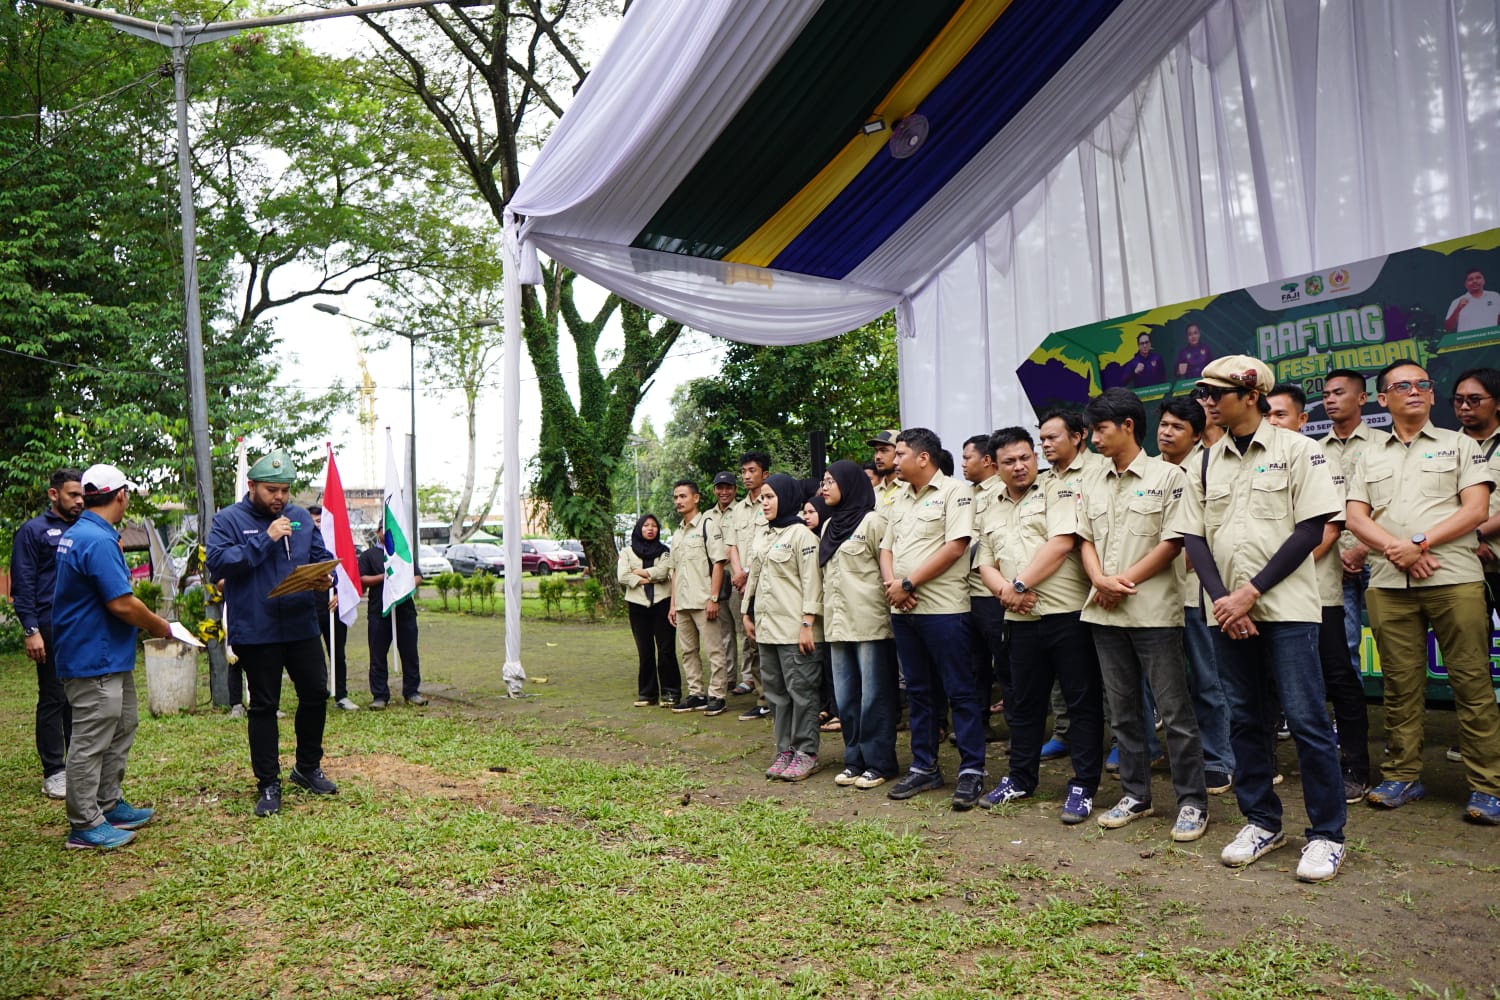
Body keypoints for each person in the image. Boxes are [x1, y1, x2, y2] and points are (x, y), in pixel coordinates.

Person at [1175, 356, 1348, 882]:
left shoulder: (1300, 450)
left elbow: (1311, 529)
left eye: (1216, 393)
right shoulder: (1205, 461)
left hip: (1288, 611)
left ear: (1251, 396)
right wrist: (1226, 602)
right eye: (1204, 393)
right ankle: (1261, 821)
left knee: (1306, 720)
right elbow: (1193, 537)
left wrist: (1250, 593)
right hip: (1227, 613)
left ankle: (1327, 836)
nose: (1207, 401)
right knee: (1245, 718)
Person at [1345, 361, 1500, 824]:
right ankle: (1402, 775)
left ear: (1432, 396)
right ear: (1382, 399)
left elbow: (1475, 511)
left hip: (1453, 578)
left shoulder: (1461, 446)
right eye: (1401, 386)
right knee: (1399, 684)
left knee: (1471, 682)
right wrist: (1397, 549)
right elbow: (1356, 517)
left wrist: (1419, 543)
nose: (1413, 391)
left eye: (1421, 384)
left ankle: (1487, 785)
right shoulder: (1367, 455)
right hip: (1390, 582)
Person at [1078, 388, 1207, 840]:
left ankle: (1192, 801)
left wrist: (1121, 582)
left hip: (1153, 613)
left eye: (1101, 429)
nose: (1094, 438)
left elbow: (1173, 542)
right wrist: (1099, 581)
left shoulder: (1169, 477)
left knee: (1174, 712)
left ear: (1128, 426)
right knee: (1123, 711)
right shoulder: (1092, 480)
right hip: (1104, 613)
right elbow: (1084, 540)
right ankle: (1136, 794)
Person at [976, 427, 1105, 822]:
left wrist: (1019, 584)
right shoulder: (991, 505)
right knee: (1024, 704)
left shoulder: (1058, 490)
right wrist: (1007, 594)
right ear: (995, 467)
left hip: (1066, 615)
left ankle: (1083, 786)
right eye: (1009, 461)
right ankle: (1020, 778)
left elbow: (1062, 543)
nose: (1019, 467)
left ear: (1035, 457)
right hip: (1019, 619)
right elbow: (984, 561)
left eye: (1025, 458)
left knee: (1082, 703)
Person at [206, 449, 340, 818]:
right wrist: (265, 538)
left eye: (284, 490)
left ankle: (307, 768)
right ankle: (268, 783)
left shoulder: (299, 517)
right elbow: (217, 564)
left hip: (300, 623)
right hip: (257, 627)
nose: (279, 498)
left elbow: (318, 554)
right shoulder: (228, 520)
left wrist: (326, 577)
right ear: (251, 486)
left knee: (315, 692)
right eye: (271, 490)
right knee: (265, 705)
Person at [52, 464, 171, 849]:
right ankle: (85, 823)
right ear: (121, 495)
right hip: (93, 655)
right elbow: (121, 603)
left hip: (106, 653)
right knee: (91, 737)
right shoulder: (97, 540)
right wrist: (159, 625)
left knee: (121, 725)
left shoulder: (85, 533)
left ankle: (107, 802)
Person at [1266, 383, 1372, 803]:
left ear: (1301, 420)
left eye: (1281, 415)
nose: (1274, 422)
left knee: (1338, 676)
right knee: (1268, 681)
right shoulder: (1255, 461)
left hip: (1318, 591)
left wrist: (1281, 571)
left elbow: (1329, 527)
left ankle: (1354, 768)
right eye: (1268, 415)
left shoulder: (1319, 457)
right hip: (1268, 596)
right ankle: (1268, 762)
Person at [879, 427, 986, 809]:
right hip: (904, 609)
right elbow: (886, 547)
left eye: (901, 454)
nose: (894, 460)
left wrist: (908, 582)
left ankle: (972, 770)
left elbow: (956, 546)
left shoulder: (956, 493)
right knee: (920, 693)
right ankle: (924, 767)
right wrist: (894, 584)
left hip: (943, 610)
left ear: (923, 457)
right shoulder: (898, 497)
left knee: (960, 690)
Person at [1157, 397, 1235, 796]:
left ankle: (1218, 759)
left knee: (1207, 681)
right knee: (1170, 685)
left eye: (1177, 427)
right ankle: (1180, 755)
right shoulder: (1150, 471)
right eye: (1164, 424)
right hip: (1153, 598)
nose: (1167, 432)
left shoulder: (1210, 467)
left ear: (1195, 433)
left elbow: (1204, 535)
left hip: (1196, 593)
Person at [819, 460, 899, 789]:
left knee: (873, 697)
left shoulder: (874, 522)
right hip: (837, 625)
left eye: (830, 481)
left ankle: (880, 762)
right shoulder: (827, 526)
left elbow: (887, 572)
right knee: (846, 698)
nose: (824, 487)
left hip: (869, 622)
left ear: (849, 484)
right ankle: (854, 760)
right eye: (823, 481)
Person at [744, 474, 825, 780]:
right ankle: (785, 750)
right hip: (767, 629)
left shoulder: (802, 535)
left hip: (794, 630)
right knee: (776, 694)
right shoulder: (764, 535)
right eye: (762, 498)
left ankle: (806, 752)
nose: (763, 503)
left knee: (801, 693)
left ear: (786, 498)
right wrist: (746, 614)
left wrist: (807, 623)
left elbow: (812, 583)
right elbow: (753, 579)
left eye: (769, 497)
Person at [10, 468, 84, 800]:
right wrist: (31, 630)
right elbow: (23, 585)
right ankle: (54, 771)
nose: (79, 501)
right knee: (53, 697)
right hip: (50, 627)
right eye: (73, 495)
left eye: (82, 495)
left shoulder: (84, 529)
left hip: (80, 627)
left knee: (77, 698)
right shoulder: (33, 531)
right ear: (54, 495)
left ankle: (76, 766)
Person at [1318, 370, 1380, 699]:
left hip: (1380, 558)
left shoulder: (1384, 444)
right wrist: (1337, 554)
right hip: (1331, 562)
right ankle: (1351, 722)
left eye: (1338, 393)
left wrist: (1361, 550)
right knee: (1345, 644)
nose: (1329, 399)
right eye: (1326, 394)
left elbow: (1390, 506)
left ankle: (1398, 732)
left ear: (1362, 398)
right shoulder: (1312, 451)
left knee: (1393, 642)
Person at [668, 479, 730, 716]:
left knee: (714, 650)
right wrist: (673, 604)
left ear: (696, 498)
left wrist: (713, 598)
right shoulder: (677, 533)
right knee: (688, 651)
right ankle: (696, 693)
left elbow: (718, 563)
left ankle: (717, 695)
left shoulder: (708, 525)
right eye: (676, 497)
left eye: (683, 496)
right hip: (683, 603)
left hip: (704, 601)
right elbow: (675, 571)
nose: (678, 501)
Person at [962, 433, 1008, 735]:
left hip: (995, 591)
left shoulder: (1004, 492)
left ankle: (1018, 729)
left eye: (968, 457)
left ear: (987, 460)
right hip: (967, 593)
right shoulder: (966, 494)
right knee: (975, 663)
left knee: (1006, 663)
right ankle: (980, 724)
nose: (963, 463)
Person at [359, 524, 427, 709]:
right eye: (384, 529)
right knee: (378, 654)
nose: (387, 532)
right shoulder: (368, 555)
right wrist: (385, 577)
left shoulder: (402, 553)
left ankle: (412, 691)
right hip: (379, 612)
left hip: (404, 611)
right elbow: (362, 578)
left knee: (410, 653)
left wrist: (405, 585)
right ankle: (380, 696)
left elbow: (418, 576)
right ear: (378, 532)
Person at [618, 514, 680, 707]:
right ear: (639, 529)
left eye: (654, 526)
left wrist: (642, 574)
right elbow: (622, 576)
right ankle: (647, 694)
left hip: (662, 603)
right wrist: (650, 579)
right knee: (645, 651)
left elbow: (663, 572)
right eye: (646, 525)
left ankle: (671, 693)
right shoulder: (627, 552)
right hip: (637, 606)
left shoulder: (664, 551)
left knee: (666, 649)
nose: (650, 529)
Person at [726, 455, 770, 718]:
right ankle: (763, 698)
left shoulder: (771, 502)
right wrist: (740, 574)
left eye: (751, 470)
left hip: (767, 582)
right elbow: (732, 545)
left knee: (770, 640)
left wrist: (749, 573)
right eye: (743, 471)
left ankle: (775, 698)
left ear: (765, 474)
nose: (746, 476)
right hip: (743, 585)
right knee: (751, 640)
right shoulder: (738, 509)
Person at [307, 504, 355, 712]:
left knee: (337, 652)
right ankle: (316, 692)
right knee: (310, 654)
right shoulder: (302, 547)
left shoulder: (336, 543)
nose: (318, 526)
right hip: (309, 606)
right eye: (314, 522)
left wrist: (339, 594)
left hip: (333, 606)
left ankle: (341, 694)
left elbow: (346, 574)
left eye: (320, 521)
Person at [711, 471, 748, 697]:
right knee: (723, 630)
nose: (724, 491)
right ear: (715, 489)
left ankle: (748, 678)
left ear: (735, 489)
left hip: (737, 575)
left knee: (743, 627)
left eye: (728, 487)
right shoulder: (708, 516)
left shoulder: (742, 511)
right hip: (716, 577)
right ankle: (729, 676)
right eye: (720, 487)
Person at [1444, 268, 1500, 333]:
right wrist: (1458, 309)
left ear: (1484, 280)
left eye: (1478, 278)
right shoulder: (1457, 301)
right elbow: (1448, 328)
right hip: (1467, 341)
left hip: (1491, 338)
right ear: (1465, 284)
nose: (1475, 281)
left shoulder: (1495, 296)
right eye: (1470, 279)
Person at [868, 430, 903, 505]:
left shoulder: (911, 489)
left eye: (884, 450)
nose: (877, 457)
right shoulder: (873, 493)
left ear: (898, 453)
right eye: (876, 451)